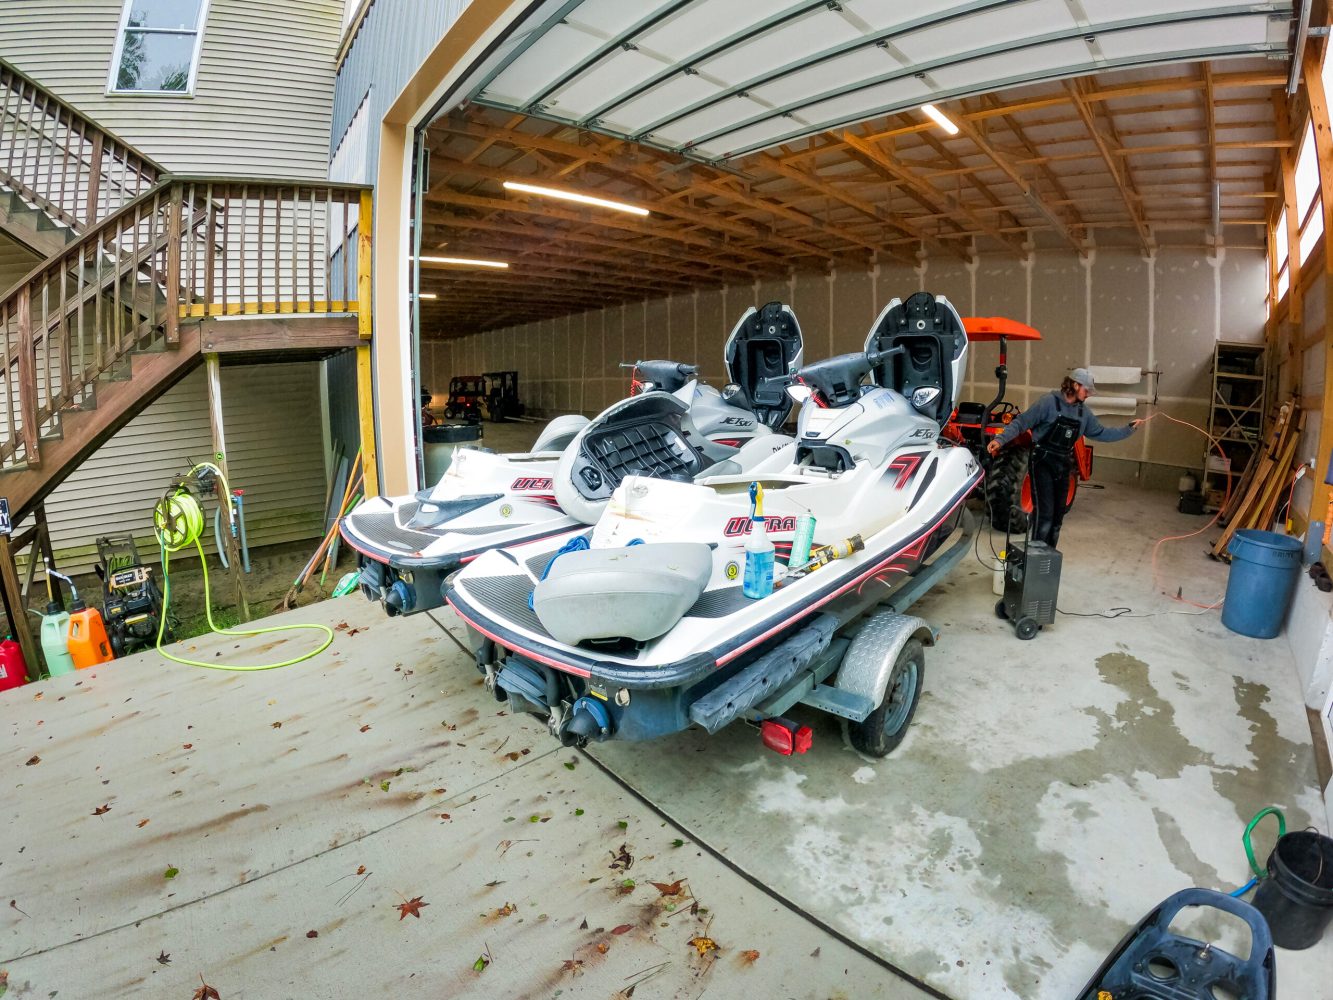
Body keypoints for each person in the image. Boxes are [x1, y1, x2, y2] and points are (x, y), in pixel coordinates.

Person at [985, 367, 1142, 548]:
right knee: (1044, 515)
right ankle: (1037, 557)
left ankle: (1049, 558)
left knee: (1057, 519)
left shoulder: (1084, 414)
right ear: (1075, 385)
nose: (1089, 394)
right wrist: (1001, 439)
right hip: (1042, 461)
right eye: (1086, 390)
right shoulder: (1048, 403)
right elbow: (1022, 422)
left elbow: (1102, 433)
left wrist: (1128, 430)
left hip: (1063, 464)